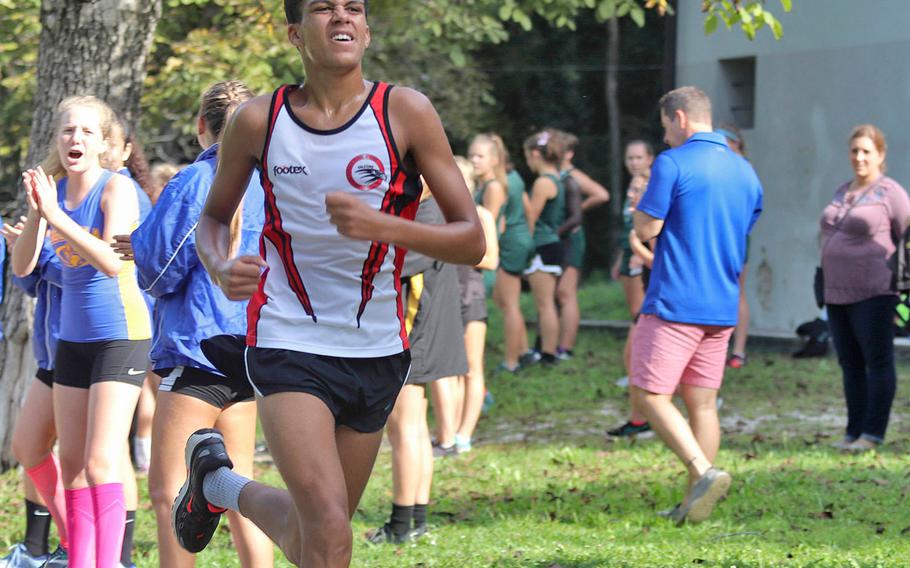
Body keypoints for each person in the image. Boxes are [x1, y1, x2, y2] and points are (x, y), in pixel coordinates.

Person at [170, 2, 485, 567]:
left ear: (365, 29)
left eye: (353, 8)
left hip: (378, 350)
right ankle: (219, 484)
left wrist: (386, 226)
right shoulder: (258, 121)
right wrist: (220, 266)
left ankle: (217, 484)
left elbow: (472, 240)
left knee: (320, 541)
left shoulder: (405, 112)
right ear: (296, 33)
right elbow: (213, 220)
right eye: (323, 7)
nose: (341, 16)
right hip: (288, 340)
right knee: (331, 524)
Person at [114, 80, 274, 567]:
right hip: (249, 352)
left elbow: (161, 272)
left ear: (201, 126)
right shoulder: (272, 180)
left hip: (196, 352)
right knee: (239, 489)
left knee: (168, 495)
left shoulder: (196, 180)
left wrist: (142, 248)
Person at [12, 95, 152, 568]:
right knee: (71, 465)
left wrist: (57, 219)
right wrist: (38, 211)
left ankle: (109, 562)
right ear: (57, 140)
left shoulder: (118, 189)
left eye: (88, 132)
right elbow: (23, 264)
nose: (76, 139)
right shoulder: (52, 194)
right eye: (68, 131)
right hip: (70, 341)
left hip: (121, 335)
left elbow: (114, 262)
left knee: (99, 462)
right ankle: (81, 561)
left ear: (105, 144)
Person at [630, 86, 762, 525]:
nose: (665, 136)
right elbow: (746, 220)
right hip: (722, 306)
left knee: (648, 393)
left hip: (675, 301)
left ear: (681, 118)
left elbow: (649, 227)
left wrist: (638, 210)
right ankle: (693, 506)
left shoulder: (672, 162)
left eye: (666, 126)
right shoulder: (745, 171)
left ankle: (703, 472)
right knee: (703, 405)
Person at [369, 179, 469, 543]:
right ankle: (417, 517)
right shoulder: (435, 210)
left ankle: (401, 524)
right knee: (414, 428)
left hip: (416, 330)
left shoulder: (425, 215)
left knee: (404, 428)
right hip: (428, 328)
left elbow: (391, 264)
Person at [821, 124, 910, 452]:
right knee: (850, 363)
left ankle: (872, 434)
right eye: (854, 150)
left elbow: (908, 236)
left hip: (875, 291)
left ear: (881, 155)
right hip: (836, 292)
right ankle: (853, 431)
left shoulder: (891, 193)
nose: (859, 157)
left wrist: (904, 286)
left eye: (866, 152)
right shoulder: (842, 190)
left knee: (878, 361)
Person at [0, 219, 69, 568]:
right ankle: (62, 544)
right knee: (28, 446)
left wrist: (42, 250)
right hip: (54, 351)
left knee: (95, 461)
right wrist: (24, 249)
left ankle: (104, 554)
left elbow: (90, 272)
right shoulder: (57, 199)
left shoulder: (117, 195)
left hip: (95, 348)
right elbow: (29, 283)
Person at [470, 134, 534, 372]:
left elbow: (488, 224)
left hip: (502, 249)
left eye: (480, 156)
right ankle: (523, 351)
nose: (474, 160)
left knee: (509, 304)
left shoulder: (494, 187)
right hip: (505, 245)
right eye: (472, 155)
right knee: (504, 301)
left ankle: (512, 362)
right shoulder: (486, 183)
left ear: (494, 159)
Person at [451, 156, 499, 453]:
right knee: (451, 370)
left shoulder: (482, 215)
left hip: (471, 295)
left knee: (471, 367)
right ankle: (451, 430)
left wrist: (450, 250)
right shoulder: (438, 213)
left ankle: (465, 434)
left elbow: (492, 260)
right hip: (443, 297)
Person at [608, 140, 655, 438]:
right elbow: (630, 232)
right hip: (632, 260)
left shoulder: (651, 187)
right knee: (635, 331)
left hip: (645, 267)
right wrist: (621, 258)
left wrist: (639, 253)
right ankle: (641, 417)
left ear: (650, 158)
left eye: (639, 157)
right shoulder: (634, 184)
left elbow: (648, 236)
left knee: (637, 343)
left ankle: (643, 418)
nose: (634, 162)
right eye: (630, 157)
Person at [555, 131, 609, 359]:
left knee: (566, 293)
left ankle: (566, 347)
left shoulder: (572, 174)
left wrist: (578, 210)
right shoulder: (554, 173)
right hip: (559, 238)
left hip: (571, 238)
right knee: (558, 294)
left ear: (568, 153)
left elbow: (601, 194)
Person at [523, 129, 567, 366]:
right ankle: (544, 347)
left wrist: (525, 247)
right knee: (546, 302)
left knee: (545, 303)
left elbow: (532, 217)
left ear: (535, 154)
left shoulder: (542, 182)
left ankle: (549, 353)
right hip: (551, 244)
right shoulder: (556, 177)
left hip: (542, 245)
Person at [715, 124, 752, 369]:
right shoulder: (717, 168)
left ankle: (738, 350)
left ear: (735, 144)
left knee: (737, 292)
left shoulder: (743, 168)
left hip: (736, 238)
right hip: (717, 236)